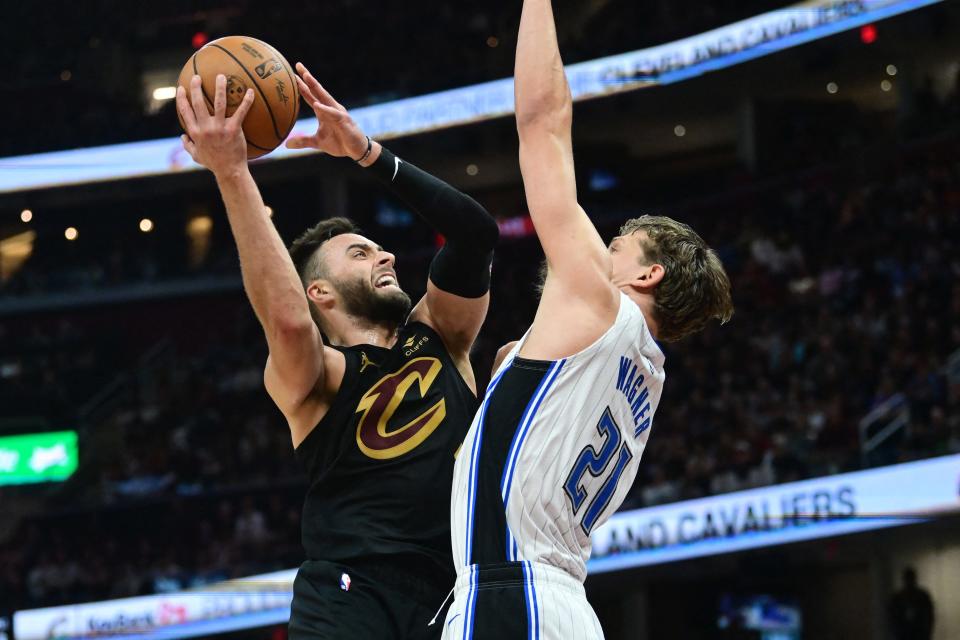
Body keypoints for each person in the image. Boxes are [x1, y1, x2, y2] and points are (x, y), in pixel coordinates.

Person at [176, 61, 499, 640]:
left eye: (379, 249)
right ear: (318, 293)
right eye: (360, 254)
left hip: (454, 596)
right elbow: (288, 324)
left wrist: (367, 152)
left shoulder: (442, 336)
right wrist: (231, 172)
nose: (386, 257)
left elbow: (474, 233)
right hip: (350, 593)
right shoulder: (316, 377)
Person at [440, 1, 733, 637]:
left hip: (512, 592)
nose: (599, 252)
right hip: (558, 601)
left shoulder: (602, 305)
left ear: (645, 276)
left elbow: (543, 123)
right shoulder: (645, 374)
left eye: (617, 249)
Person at [888, 567, 934, 640]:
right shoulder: (897, 598)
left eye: (911, 578)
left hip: (919, 634)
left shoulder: (922, 596)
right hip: (905, 634)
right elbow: (893, 619)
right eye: (908, 579)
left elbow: (929, 616)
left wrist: (927, 633)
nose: (909, 581)